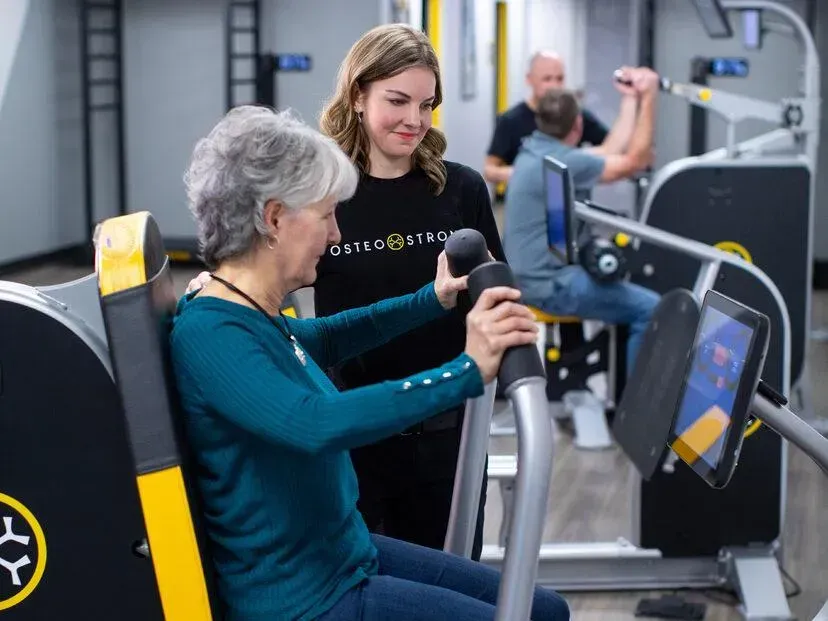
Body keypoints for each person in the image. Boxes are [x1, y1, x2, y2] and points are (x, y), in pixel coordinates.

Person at [171, 104, 570, 621]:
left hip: (346, 554)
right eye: (325, 215)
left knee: (544, 610)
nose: (336, 234)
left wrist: (433, 298)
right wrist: (466, 370)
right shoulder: (213, 332)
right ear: (273, 219)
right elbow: (315, 423)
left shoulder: (251, 314)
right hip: (307, 598)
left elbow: (331, 337)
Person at [313, 23, 506, 560]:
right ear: (357, 95)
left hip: (449, 432)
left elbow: (496, 297)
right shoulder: (324, 195)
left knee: (451, 582)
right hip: (358, 431)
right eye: (397, 101)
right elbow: (265, 282)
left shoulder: (461, 189)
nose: (414, 121)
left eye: (426, 104)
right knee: (368, 582)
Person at [502, 71, 661, 374]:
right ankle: (641, 412)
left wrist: (630, 98)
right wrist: (650, 94)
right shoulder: (567, 161)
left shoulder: (534, 151)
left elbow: (608, 151)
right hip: (549, 285)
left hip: (527, 278)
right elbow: (635, 160)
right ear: (578, 125)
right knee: (652, 309)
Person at [484, 50, 640, 187]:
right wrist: (525, 172)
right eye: (547, 79)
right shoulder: (511, 120)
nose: (554, 86)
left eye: (559, 79)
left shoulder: (576, 115)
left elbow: (611, 149)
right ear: (529, 79)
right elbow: (489, 170)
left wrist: (631, 97)